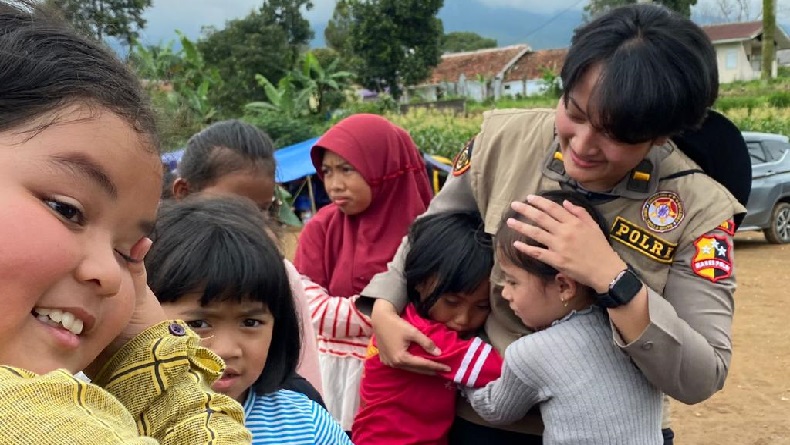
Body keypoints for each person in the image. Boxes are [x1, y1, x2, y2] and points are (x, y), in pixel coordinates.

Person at [360, 5, 749, 444]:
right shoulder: (500, 144)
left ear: (661, 135)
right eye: (575, 113)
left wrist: (613, 280)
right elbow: (428, 232)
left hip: (608, 432)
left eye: (615, 134)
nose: (582, 146)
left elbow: (703, 376)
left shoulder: (698, 209)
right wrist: (384, 310)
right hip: (485, 421)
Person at [0, 1, 250, 443]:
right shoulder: (38, 423)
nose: (111, 277)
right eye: (66, 209)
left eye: (125, 252)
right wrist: (146, 352)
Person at [146, 196, 351, 445]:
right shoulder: (116, 422)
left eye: (250, 322)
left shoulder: (306, 425)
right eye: (198, 324)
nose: (226, 350)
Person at [465, 191, 662, 444]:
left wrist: (464, 372)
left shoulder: (530, 352)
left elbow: (496, 409)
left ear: (564, 287)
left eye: (513, 281)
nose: (504, 293)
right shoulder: (631, 330)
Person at [293, 113, 433, 431]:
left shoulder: (428, 234)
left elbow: (442, 312)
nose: (333, 184)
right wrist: (387, 313)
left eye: (347, 169)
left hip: (408, 385)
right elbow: (306, 307)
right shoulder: (322, 228)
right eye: (326, 171)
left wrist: (356, 315)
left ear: (385, 169)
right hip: (336, 386)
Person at [171, 119, 323, 397]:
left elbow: (304, 374)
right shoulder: (152, 271)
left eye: (262, 209)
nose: (250, 221)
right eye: (198, 323)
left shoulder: (280, 274)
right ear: (183, 192)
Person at [353, 211, 503, 445]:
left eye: (482, 306)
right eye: (451, 302)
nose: (463, 319)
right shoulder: (420, 336)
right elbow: (500, 370)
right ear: (421, 283)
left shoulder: (410, 319)